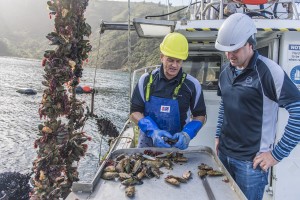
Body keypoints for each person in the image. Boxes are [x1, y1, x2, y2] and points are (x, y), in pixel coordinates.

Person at [214, 13, 300, 200]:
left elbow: (299, 113)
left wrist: (276, 155)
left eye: (235, 49)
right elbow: (224, 104)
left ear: (250, 43)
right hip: (224, 155)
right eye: (226, 51)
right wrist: (217, 134)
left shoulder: (269, 72)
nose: (229, 55)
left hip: (251, 165)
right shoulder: (225, 72)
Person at [130, 32, 206, 150]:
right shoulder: (145, 80)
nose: (174, 65)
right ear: (161, 57)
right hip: (147, 142)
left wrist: (187, 134)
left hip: (176, 144)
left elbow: (200, 115)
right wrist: (153, 131)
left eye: (178, 61)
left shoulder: (192, 85)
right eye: (170, 60)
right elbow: (134, 112)